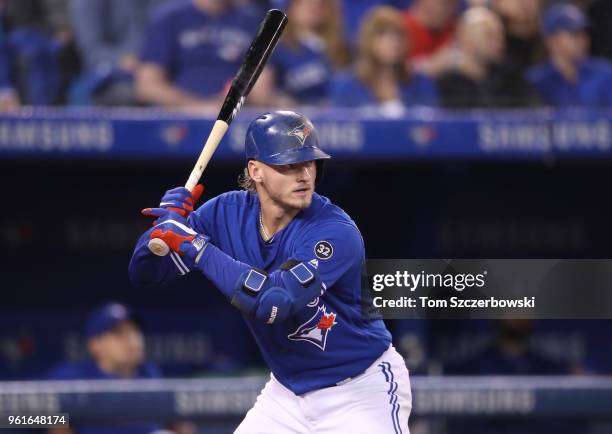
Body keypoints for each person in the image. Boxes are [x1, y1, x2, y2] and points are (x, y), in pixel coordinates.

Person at [129, 110, 412, 433]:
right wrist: (161, 230)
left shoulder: (334, 230)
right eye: (288, 165)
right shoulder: (226, 212)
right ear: (256, 170)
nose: (304, 175)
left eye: (308, 163)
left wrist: (195, 245)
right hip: (287, 394)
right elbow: (145, 273)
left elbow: (273, 303)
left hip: (359, 388)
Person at [46, 302, 166, 434]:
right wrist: (60, 422)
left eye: (134, 330)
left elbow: (178, 419)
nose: (132, 339)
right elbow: (25, 418)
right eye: (119, 333)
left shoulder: (149, 373)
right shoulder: (73, 377)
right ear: (95, 344)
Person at [136, 0, 268, 110]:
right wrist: (197, 106)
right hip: (178, 116)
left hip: (234, 114)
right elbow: (147, 86)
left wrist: (234, 100)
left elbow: (262, 86)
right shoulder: (170, 17)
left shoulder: (251, 19)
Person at [331, 6, 438, 116]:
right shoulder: (346, 85)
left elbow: (433, 125)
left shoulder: (422, 83)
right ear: (368, 41)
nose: (393, 42)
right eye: (382, 34)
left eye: (398, 35)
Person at [438, 6, 539, 108]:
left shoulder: (510, 78)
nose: (499, 42)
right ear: (466, 38)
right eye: (489, 35)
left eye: (500, 35)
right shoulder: (446, 84)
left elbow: (536, 113)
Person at [527, 3, 612, 107]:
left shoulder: (605, 73)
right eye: (574, 34)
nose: (582, 40)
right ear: (551, 41)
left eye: (584, 33)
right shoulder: (537, 80)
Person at [69, 0, 152, 105]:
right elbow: (92, 51)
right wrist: (124, 60)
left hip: (156, 73)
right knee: (128, 94)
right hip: (113, 79)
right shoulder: (87, 3)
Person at [269, 0, 349, 105]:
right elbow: (264, 94)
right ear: (291, 8)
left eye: (319, 3)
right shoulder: (277, 48)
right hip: (296, 115)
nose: (312, 6)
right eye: (304, 3)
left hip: (339, 114)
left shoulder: (342, 46)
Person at [402, 0, 460, 77]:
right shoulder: (399, 27)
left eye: (452, 3)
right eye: (442, 2)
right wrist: (429, 66)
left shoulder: (460, 29)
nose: (447, 8)